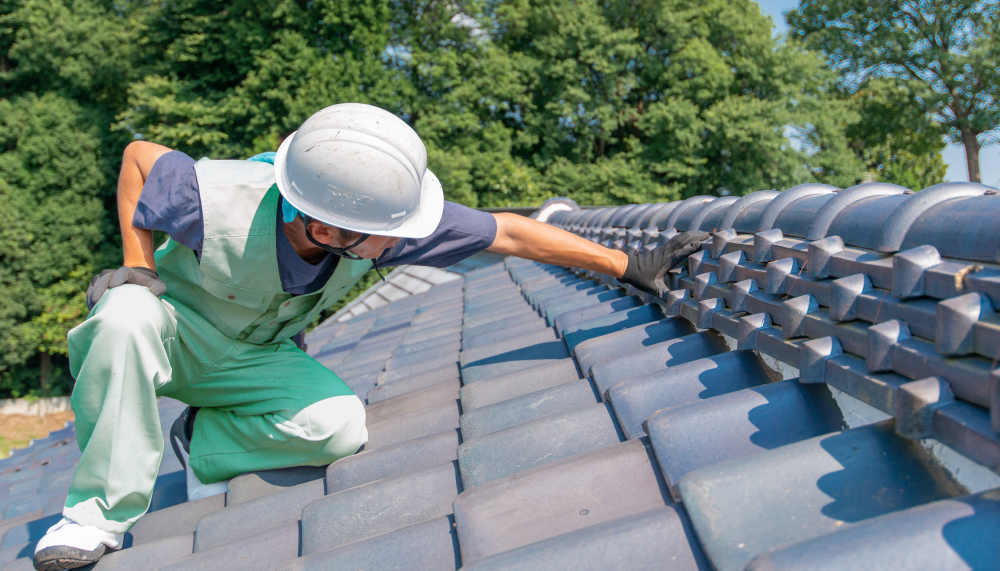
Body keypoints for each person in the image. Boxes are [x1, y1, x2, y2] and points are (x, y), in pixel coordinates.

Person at [32, 103, 706, 570]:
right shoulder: (221, 197)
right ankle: (95, 514)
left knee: (339, 424)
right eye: (394, 229)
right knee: (122, 314)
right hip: (168, 331)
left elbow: (509, 231)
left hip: (252, 356)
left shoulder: (376, 220)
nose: (406, 238)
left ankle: (200, 439)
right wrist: (138, 267)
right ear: (324, 226)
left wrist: (628, 265)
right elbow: (139, 160)